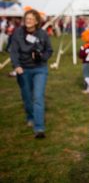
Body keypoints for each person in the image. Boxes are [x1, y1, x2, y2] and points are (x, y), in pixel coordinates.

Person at [10, 9, 53, 138]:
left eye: (31, 18)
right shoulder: (18, 33)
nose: (28, 20)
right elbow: (14, 52)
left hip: (40, 69)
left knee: (38, 97)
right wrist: (17, 66)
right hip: (24, 69)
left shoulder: (42, 34)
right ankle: (30, 116)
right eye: (26, 18)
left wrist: (42, 57)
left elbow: (49, 50)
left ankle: (39, 128)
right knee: (27, 97)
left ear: (36, 21)